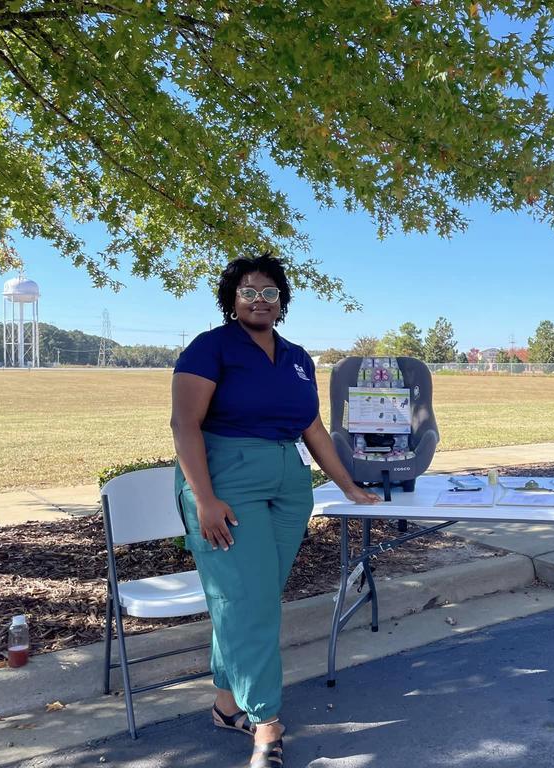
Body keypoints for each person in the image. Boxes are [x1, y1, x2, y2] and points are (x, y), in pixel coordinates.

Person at [171, 253, 379, 768]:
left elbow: (313, 430)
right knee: (251, 604)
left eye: (269, 291)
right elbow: (185, 425)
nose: (260, 299)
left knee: (251, 599)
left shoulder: (297, 357)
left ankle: (225, 705)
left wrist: (349, 487)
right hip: (226, 479)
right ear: (232, 299)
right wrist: (204, 498)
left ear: (282, 301)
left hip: (288, 482)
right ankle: (266, 721)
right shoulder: (210, 347)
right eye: (249, 291)